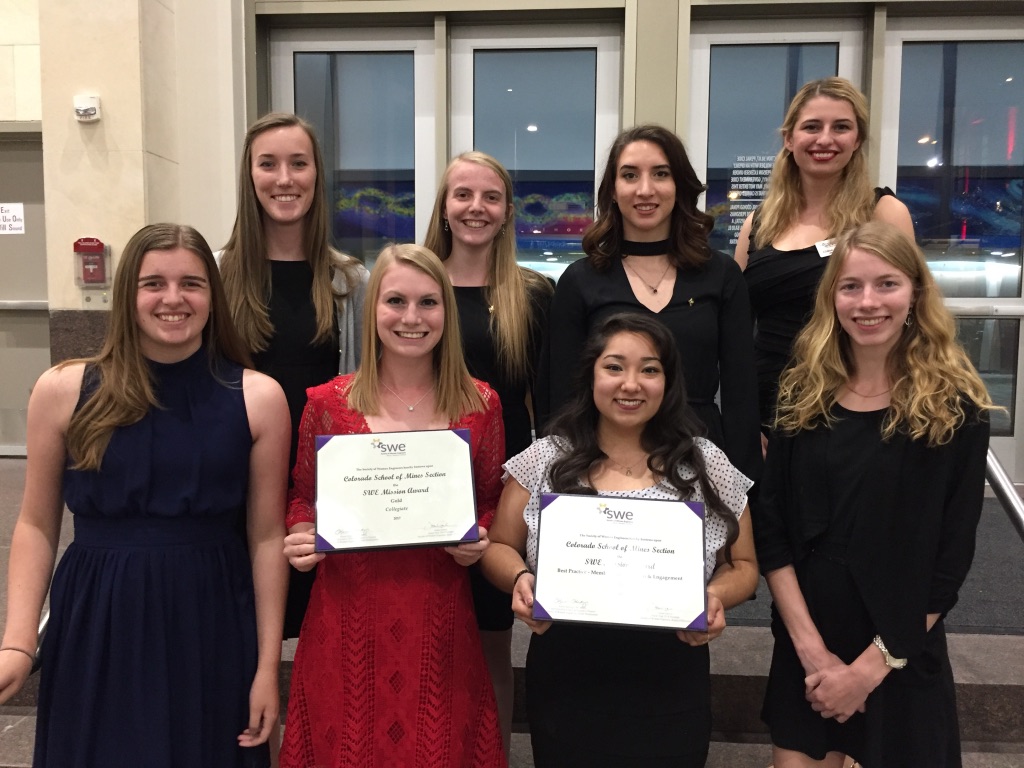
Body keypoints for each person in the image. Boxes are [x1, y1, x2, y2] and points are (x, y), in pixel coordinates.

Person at [0, 224, 290, 767]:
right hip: (99, 613)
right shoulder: (63, 389)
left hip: (210, 618)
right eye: (153, 283)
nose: (174, 299)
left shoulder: (258, 398)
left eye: (192, 284)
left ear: (214, 295)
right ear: (126, 294)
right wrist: (18, 639)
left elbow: (267, 537)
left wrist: (265, 667)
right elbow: (36, 524)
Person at [756, 221, 994, 767]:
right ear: (831, 298)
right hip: (808, 641)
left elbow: (949, 561)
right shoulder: (800, 394)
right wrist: (813, 653)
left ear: (915, 293)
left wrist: (868, 670)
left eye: (886, 284)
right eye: (850, 286)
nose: (868, 302)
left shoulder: (956, 411)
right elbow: (772, 532)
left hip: (900, 646)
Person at [482, 312, 758, 768]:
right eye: (614, 366)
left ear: (668, 382)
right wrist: (520, 579)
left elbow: (745, 566)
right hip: (567, 674)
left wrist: (711, 597)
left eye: (649, 369)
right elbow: (497, 546)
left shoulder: (705, 463)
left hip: (670, 676)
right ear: (591, 374)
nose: (631, 384)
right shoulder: (547, 458)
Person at [278, 243, 507, 767]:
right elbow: (300, 497)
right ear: (372, 309)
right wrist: (301, 531)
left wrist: (481, 537)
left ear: (446, 312)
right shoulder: (327, 405)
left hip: (438, 620)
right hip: (346, 617)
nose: (411, 317)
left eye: (428, 303)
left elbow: (491, 501)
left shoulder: (481, 405)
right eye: (395, 301)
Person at [540, 124, 762, 486]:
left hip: (703, 461)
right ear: (613, 190)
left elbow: (741, 396)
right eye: (630, 175)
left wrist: (745, 486)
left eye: (661, 173)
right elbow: (562, 400)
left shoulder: (721, 275)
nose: (645, 189)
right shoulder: (580, 281)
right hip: (603, 469)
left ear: (680, 186)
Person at [219, 112, 369, 641]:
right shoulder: (216, 275)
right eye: (268, 164)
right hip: (233, 486)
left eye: (298, 164)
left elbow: (366, 390)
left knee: (325, 638)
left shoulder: (350, 280)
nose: (284, 179)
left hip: (321, 489)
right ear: (249, 175)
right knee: (235, 634)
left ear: (316, 175)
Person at [423, 150, 553, 751]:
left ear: (506, 213)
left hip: (503, 487)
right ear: (444, 207)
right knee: (424, 631)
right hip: (419, 484)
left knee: (492, 636)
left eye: (490, 197)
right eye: (463, 195)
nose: (476, 208)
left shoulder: (533, 294)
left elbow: (548, 405)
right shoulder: (416, 286)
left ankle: (490, 755)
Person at [734, 77, 914, 432]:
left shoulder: (883, 213)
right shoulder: (760, 222)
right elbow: (737, 323)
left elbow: (911, 315)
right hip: (766, 403)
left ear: (857, 139)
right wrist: (743, 420)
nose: (825, 139)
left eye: (841, 127)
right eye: (812, 127)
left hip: (850, 399)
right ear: (789, 139)